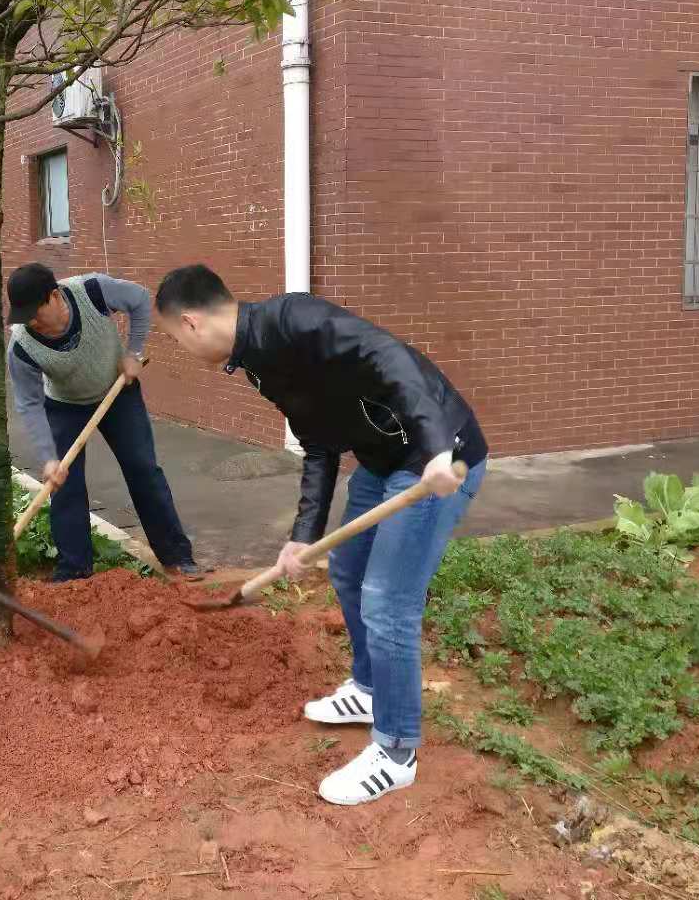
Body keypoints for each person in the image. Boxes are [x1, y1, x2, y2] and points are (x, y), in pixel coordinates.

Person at [153, 264, 487, 805]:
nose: (183, 349)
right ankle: (369, 688)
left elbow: (388, 354)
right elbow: (318, 443)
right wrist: (302, 536)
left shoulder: (295, 318)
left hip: (437, 459)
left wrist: (437, 446)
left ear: (190, 323)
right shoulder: (259, 365)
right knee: (349, 573)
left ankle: (397, 749)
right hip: (382, 461)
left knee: (386, 602)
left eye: (174, 339)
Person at [6, 262, 203, 582]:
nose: (30, 322)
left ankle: (177, 556)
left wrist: (133, 353)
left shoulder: (93, 290)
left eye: (35, 312)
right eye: (23, 315)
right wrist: (48, 457)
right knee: (64, 485)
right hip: (64, 405)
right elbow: (29, 404)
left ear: (54, 296)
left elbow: (139, 299)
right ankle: (74, 571)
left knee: (143, 468)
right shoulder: (22, 346)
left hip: (117, 391)